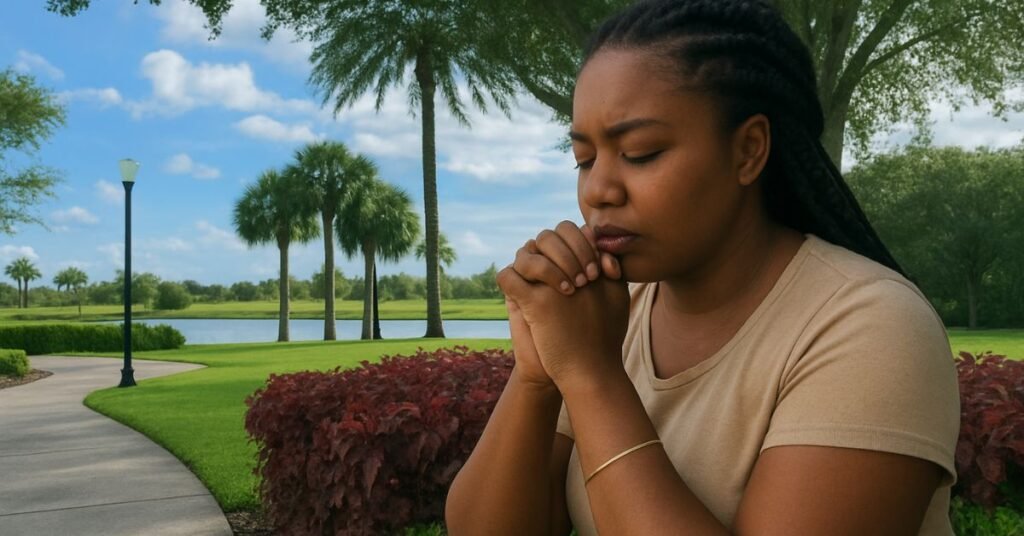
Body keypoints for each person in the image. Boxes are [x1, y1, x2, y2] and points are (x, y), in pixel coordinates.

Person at [444, 0, 961, 534]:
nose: (598, 188)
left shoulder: (872, 327)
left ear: (748, 151)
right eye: (585, 159)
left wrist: (593, 377)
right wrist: (536, 378)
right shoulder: (609, 314)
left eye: (641, 152)